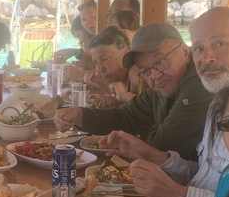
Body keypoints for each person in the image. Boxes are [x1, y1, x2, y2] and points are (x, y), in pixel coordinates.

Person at [106, 7, 229, 197]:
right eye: (199, 48)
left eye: (219, 44)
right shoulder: (219, 98)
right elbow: (207, 175)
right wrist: (151, 155)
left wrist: (179, 195)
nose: (207, 58)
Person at [54, 22, 213, 161]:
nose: (155, 76)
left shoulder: (200, 82)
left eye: (160, 62)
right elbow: (125, 117)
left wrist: (131, 144)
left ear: (185, 52)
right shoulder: (161, 84)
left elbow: (164, 143)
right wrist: (78, 115)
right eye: (145, 71)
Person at [83, 27, 142, 108]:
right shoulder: (121, 76)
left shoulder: (135, 73)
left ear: (125, 52)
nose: (100, 69)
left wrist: (126, 96)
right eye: (96, 63)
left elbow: (152, 106)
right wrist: (113, 100)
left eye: (104, 59)